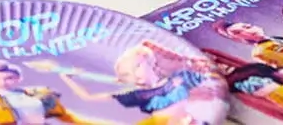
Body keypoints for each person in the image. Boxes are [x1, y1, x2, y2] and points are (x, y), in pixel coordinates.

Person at [49, 41, 228, 125]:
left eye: (136, 68)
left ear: (148, 61)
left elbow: (211, 83)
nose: (135, 77)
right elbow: (88, 97)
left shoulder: (181, 76)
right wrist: (66, 78)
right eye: (128, 75)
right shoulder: (138, 95)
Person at [0, 60, 106, 125]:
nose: (3, 82)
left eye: (9, 78)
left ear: (18, 78)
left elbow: (69, 118)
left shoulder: (41, 93)